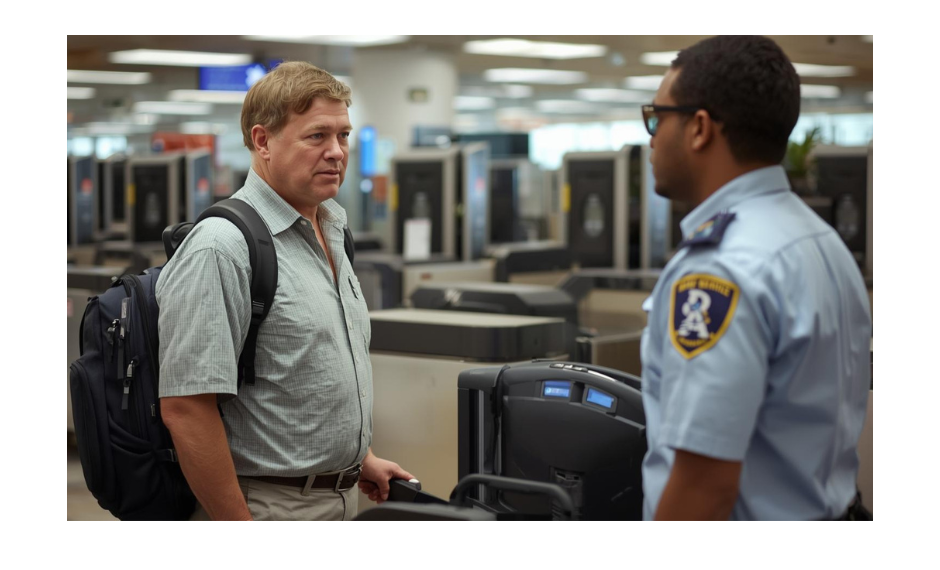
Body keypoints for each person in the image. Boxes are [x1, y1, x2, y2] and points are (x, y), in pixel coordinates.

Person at [156, 61, 413, 521]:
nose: (336, 152)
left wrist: (362, 458)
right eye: (317, 136)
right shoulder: (221, 248)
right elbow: (186, 409)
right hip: (268, 507)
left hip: (340, 498)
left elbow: (309, 371)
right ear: (262, 141)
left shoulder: (332, 227)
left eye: (343, 136)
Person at [639, 36, 872, 520]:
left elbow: (703, 487)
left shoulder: (720, 267)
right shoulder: (820, 240)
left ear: (699, 128)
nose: (652, 137)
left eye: (657, 117)